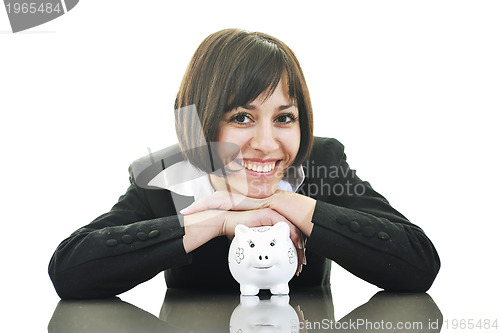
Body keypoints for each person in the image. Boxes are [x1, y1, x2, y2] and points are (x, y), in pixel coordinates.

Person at [48, 28, 440, 299]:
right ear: (200, 126)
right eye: (241, 118)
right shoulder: (165, 177)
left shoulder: (321, 163)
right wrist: (215, 222)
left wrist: (290, 205)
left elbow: (418, 262)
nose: (266, 144)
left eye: (284, 118)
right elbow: (70, 270)